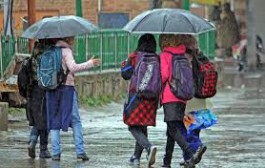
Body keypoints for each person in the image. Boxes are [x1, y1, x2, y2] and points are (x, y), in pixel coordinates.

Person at [45, 37, 100, 161]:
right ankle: (80, 151)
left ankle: (55, 153)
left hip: (51, 89)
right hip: (66, 89)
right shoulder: (66, 51)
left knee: (54, 123)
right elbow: (73, 67)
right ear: (68, 39)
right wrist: (90, 63)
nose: (74, 40)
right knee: (75, 120)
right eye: (73, 38)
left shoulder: (49, 51)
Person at [159, 34, 203, 168]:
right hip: (182, 97)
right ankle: (167, 162)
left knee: (172, 129)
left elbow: (164, 75)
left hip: (169, 95)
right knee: (171, 129)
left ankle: (190, 152)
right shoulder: (183, 54)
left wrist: (157, 86)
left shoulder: (165, 55)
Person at [121, 34, 159, 166]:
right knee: (142, 126)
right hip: (152, 99)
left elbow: (125, 74)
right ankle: (135, 157)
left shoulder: (135, 56)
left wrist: (123, 65)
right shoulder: (157, 58)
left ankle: (149, 147)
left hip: (136, 97)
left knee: (132, 126)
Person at [27, 40, 54, 159]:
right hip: (45, 89)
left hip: (33, 90)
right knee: (45, 119)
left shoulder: (34, 53)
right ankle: (43, 149)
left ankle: (32, 141)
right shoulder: (49, 54)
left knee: (38, 118)